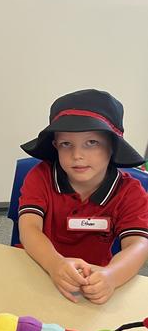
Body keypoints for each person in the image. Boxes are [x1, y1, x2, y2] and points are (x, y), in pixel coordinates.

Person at [18, 89, 148, 304]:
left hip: (90, 283)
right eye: (66, 144)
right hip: (37, 268)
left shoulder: (130, 193)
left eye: (91, 143)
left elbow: (139, 245)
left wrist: (112, 276)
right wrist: (55, 264)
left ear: (112, 146)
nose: (77, 155)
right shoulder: (40, 177)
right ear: (55, 146)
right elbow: (29, 227)